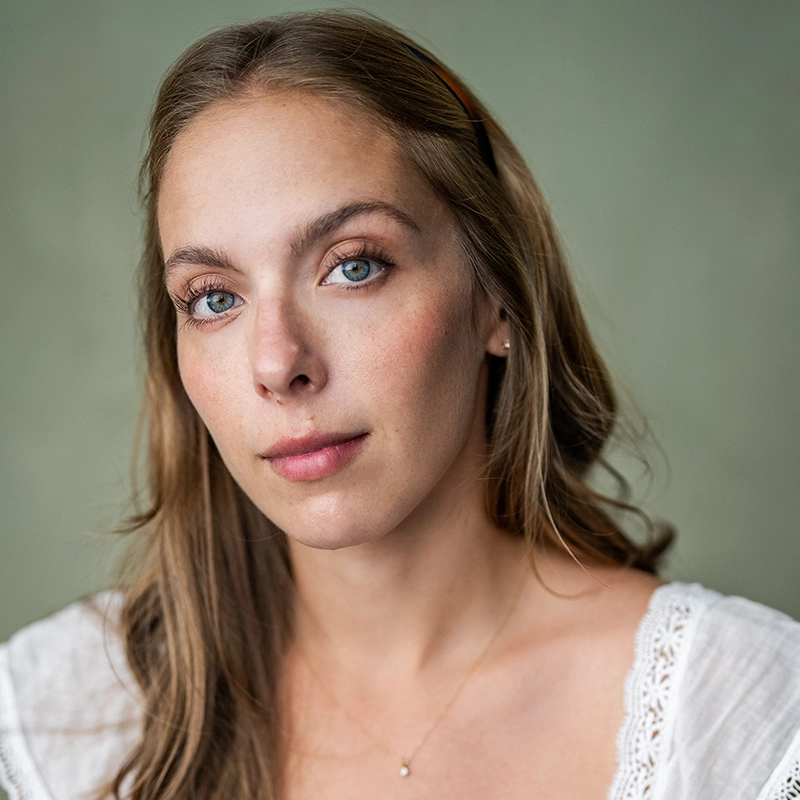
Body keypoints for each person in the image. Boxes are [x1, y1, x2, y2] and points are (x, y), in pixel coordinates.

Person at [1, 11, 798, 800]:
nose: (279, 363)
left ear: (498, 300)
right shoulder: (56, 721)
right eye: (213, 298)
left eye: (352, 267)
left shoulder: (746, 723)